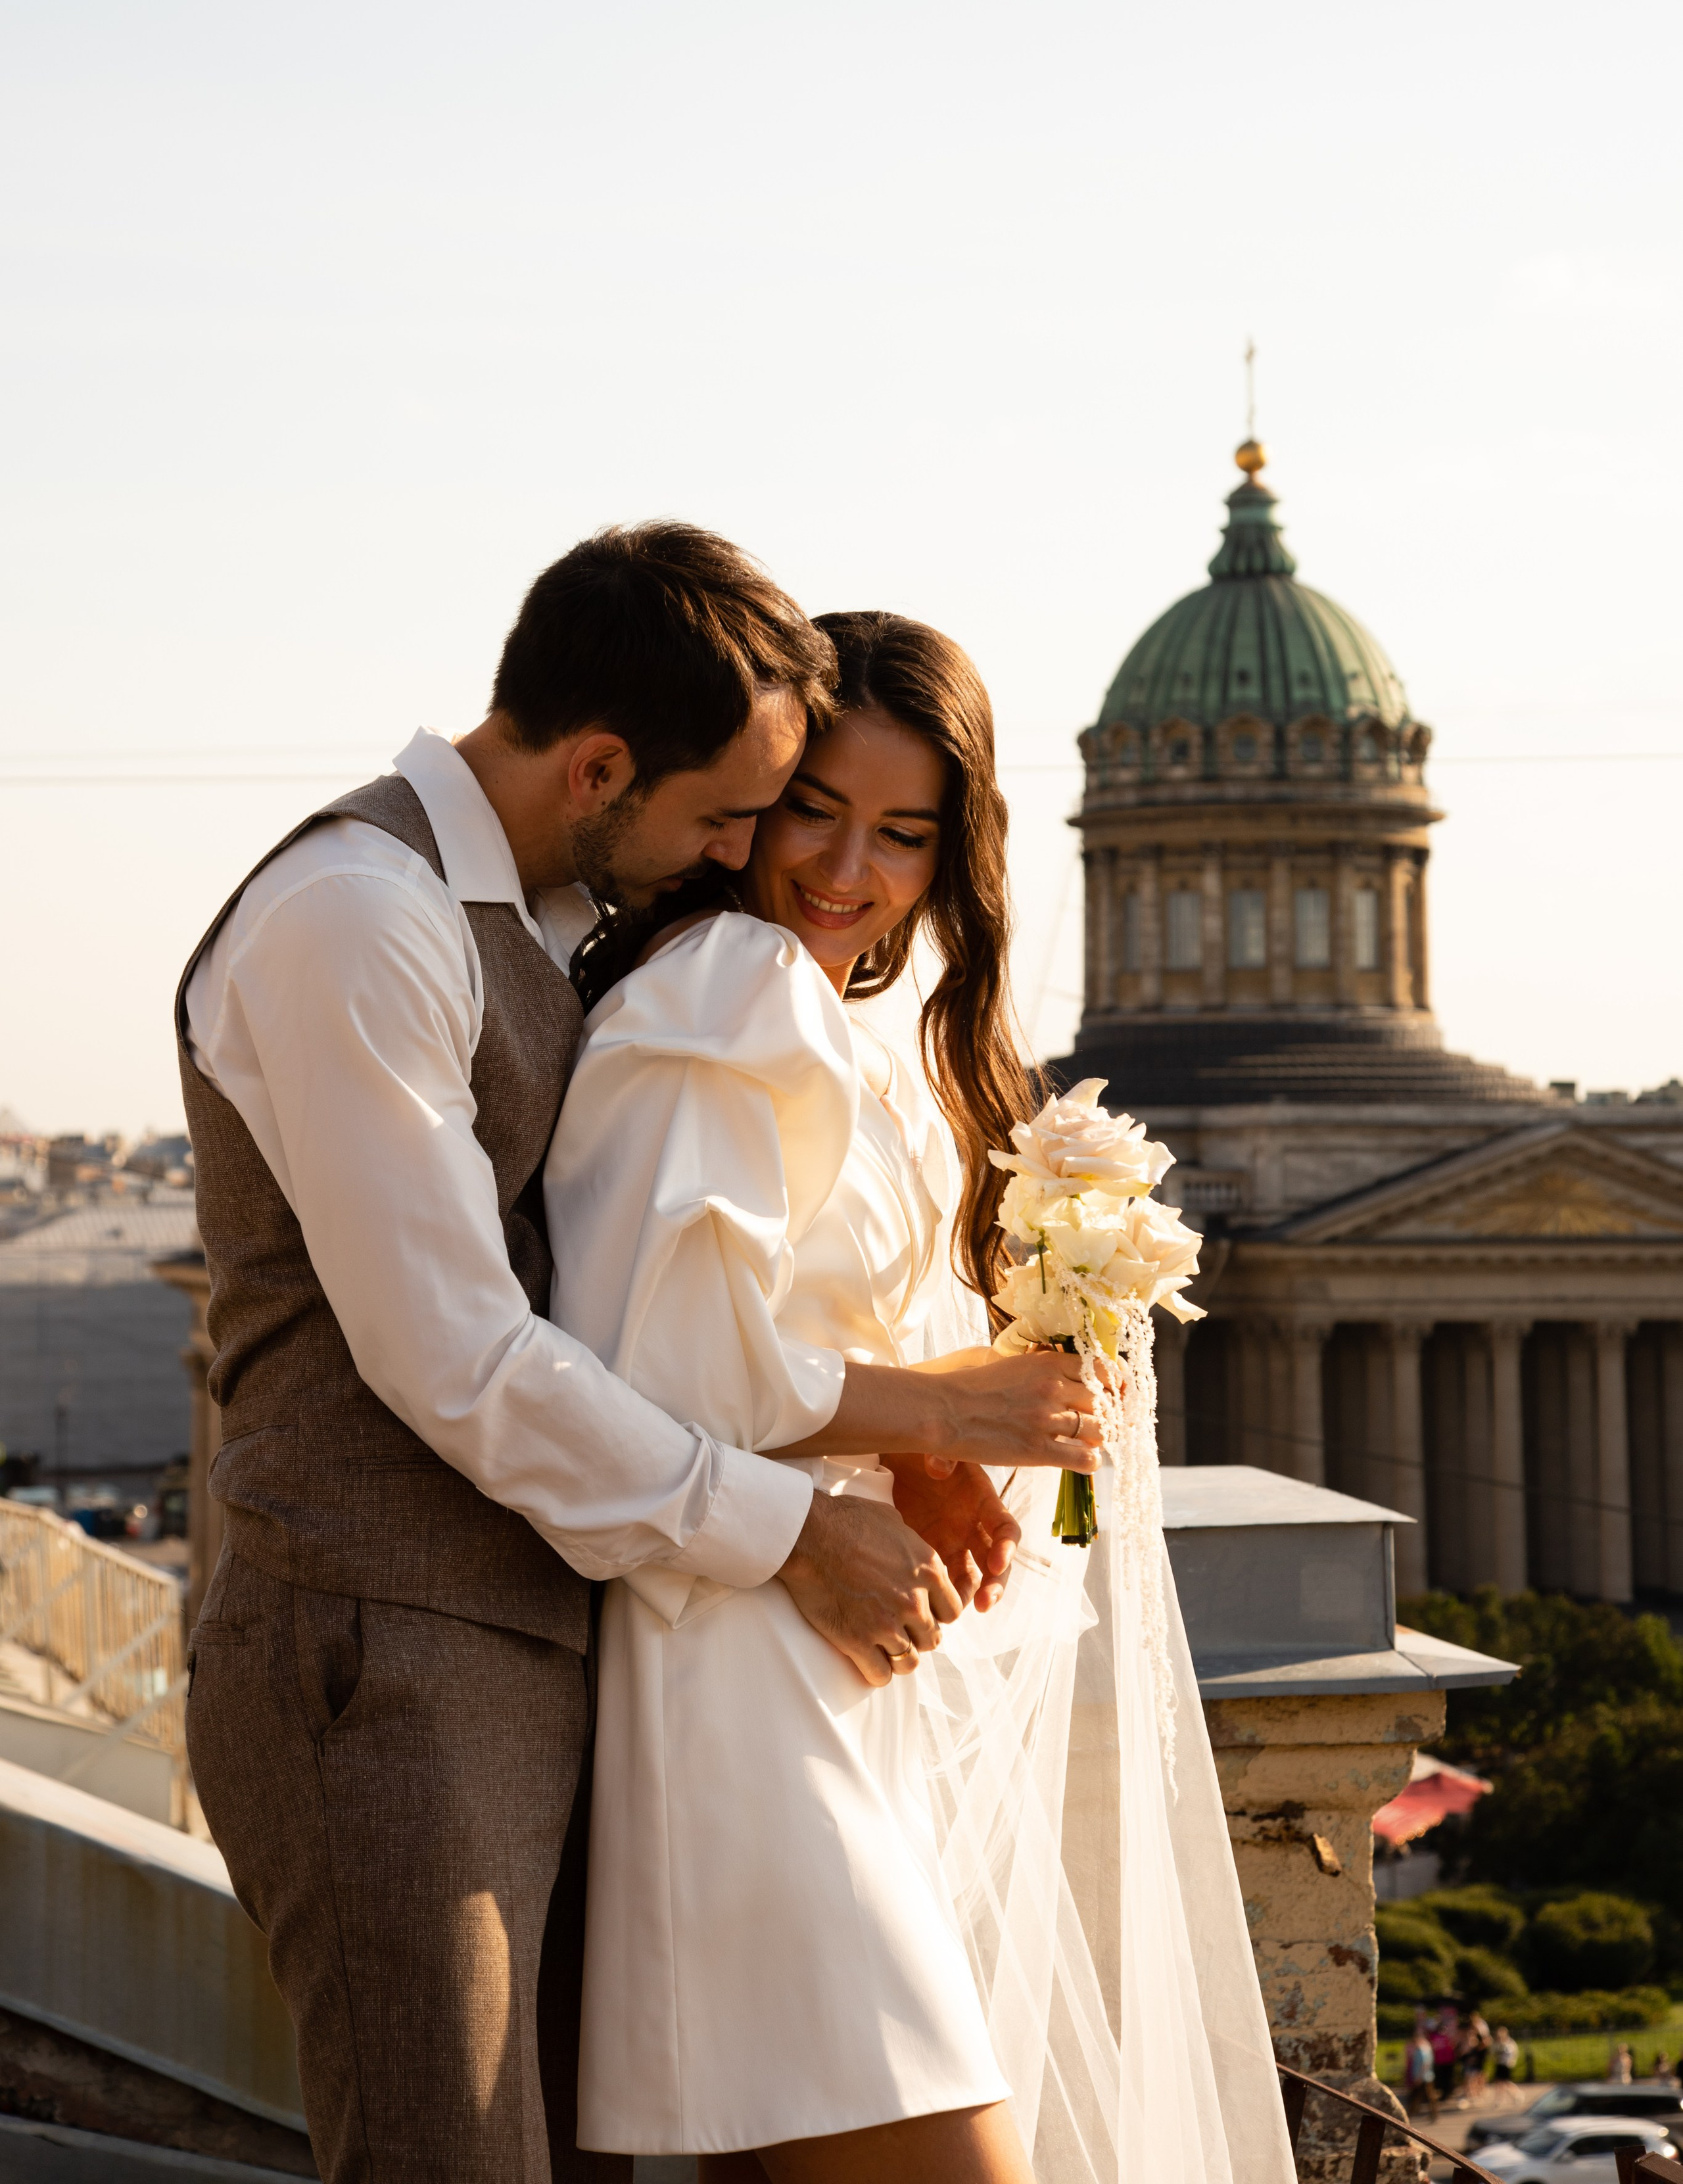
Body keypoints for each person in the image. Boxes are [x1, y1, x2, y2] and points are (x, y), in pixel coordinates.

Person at [176, 530, 1101, 2184]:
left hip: (553, 1640)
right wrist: (805, 1513)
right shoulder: (356, 914)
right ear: (604, 763)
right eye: (739, 813)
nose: (751, 856)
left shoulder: (535, 914)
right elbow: (456, 1355)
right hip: (373, 1643)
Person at [546, 609, 1296, 2184]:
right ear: (747, 795)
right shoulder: (732, 986)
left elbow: (762, 1336)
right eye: (812, 808)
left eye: (902, 833)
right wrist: (958, 1419)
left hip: (813, 1664)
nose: (846, 869)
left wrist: (927, 1432)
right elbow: (667, 1366)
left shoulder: (817, 1015)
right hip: (742, 1684)